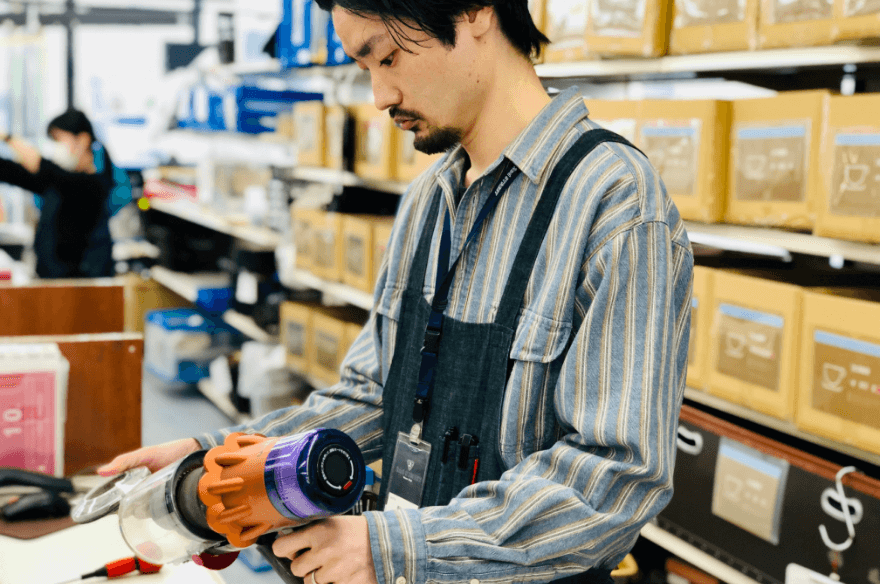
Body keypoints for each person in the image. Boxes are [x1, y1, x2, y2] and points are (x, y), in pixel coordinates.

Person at [99, 2, 694, 583]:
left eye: (385, 58)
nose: (380, 96)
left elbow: (617, 478)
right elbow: (377, 395)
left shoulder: (615, 204)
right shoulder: (428, 201)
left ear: (477, 13)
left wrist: (391, 548)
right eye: (365, 71)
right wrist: (217, 460)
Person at [0, 109, 124, 278]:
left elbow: (44, 169)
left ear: (83, 140)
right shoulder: (58, 182)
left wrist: (6, 137)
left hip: (85, 286)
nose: (55, 147)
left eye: (58, 140)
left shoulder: (91, 185)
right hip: (54, 283)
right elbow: (14, 172)